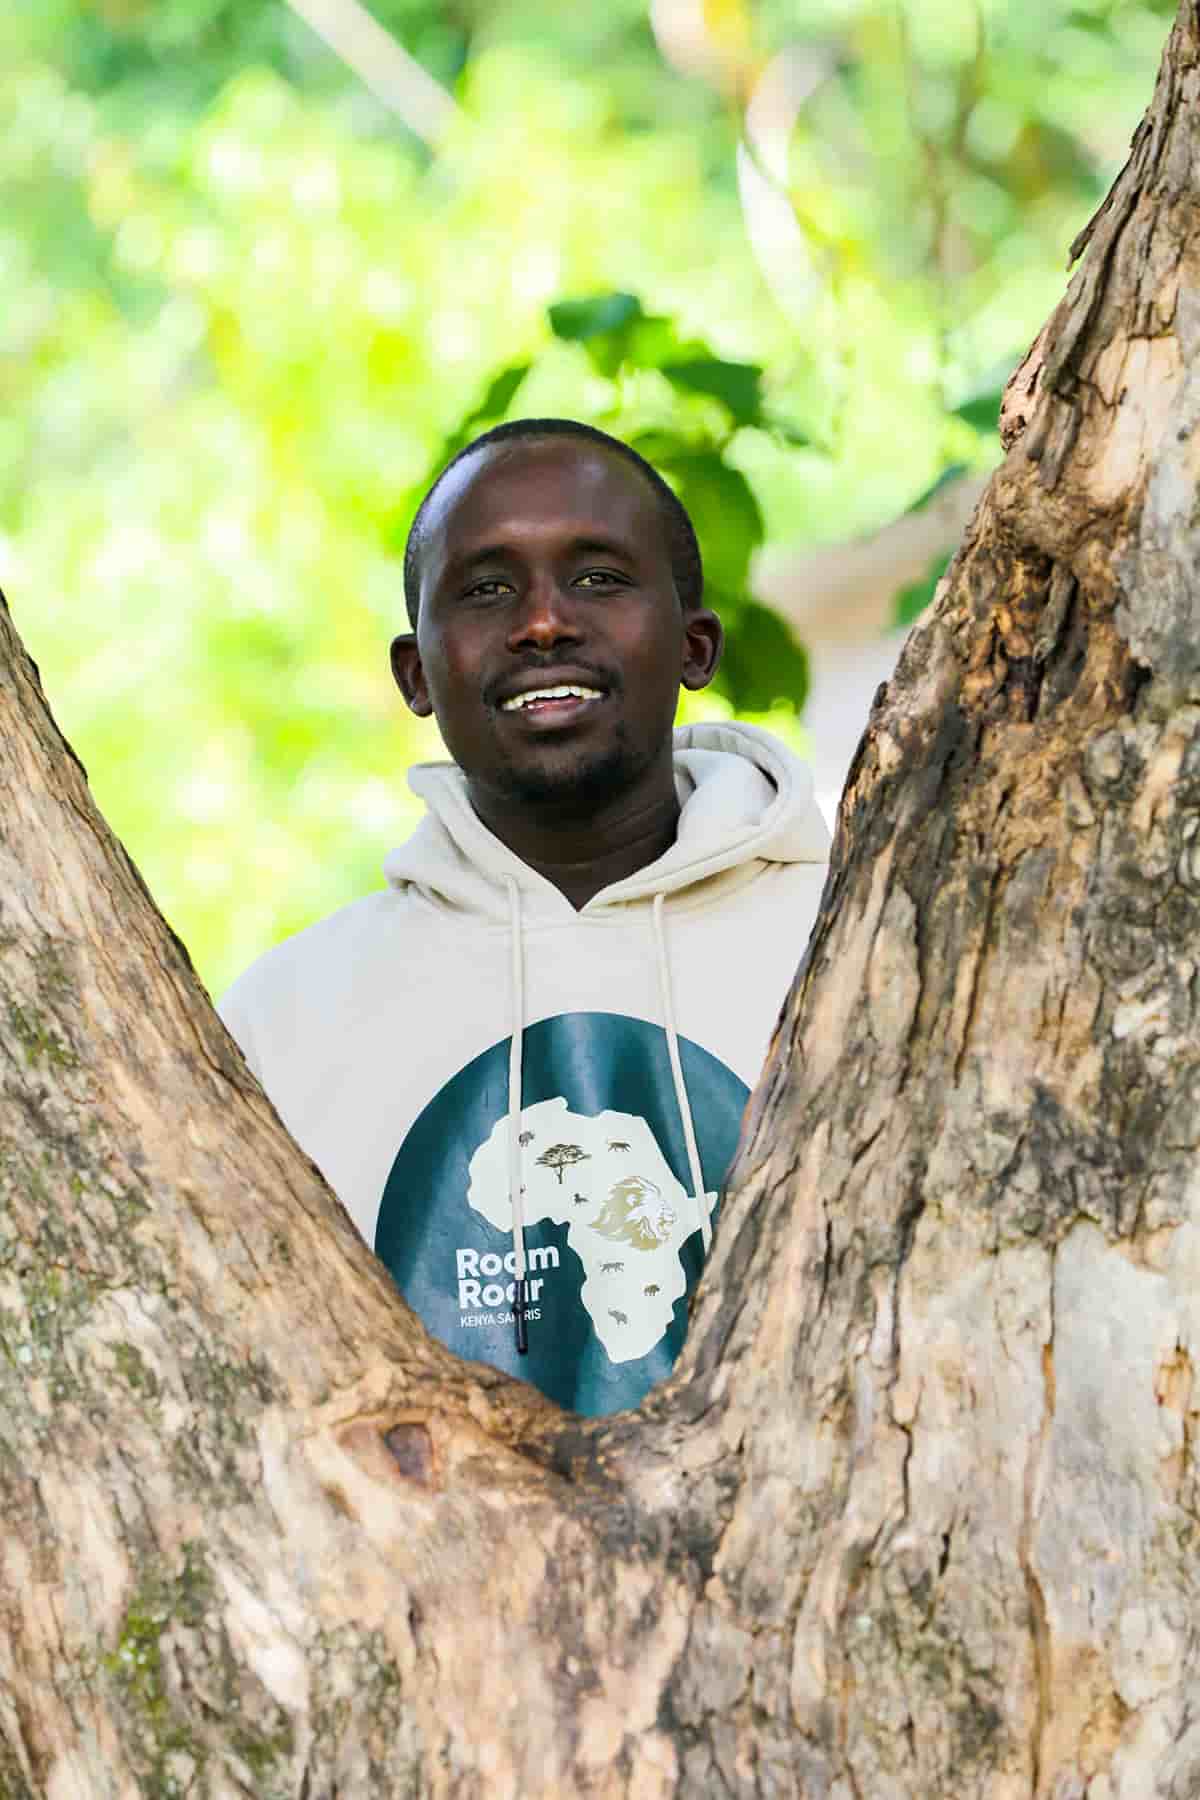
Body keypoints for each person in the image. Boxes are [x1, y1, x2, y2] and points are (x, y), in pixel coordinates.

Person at [219, 418, 829, 1415]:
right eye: (486, 590)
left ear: (695, 646)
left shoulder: (859, 944)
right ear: (416, 673)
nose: (543, 622)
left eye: (598, 578)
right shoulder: (283, 1024)